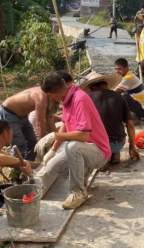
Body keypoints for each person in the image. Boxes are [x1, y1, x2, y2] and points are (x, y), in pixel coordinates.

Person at [34, 73, 110, 210]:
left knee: (72, 146)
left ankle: (78, 192)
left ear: (51, 95)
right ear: (64, 82)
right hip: (84, 148)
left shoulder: (80, 99)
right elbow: (64, 125)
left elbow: (83, 136)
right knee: (51, 167)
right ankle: (82, 173)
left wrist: (54, 136)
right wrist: (53, 150)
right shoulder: (67, 99)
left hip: (99, 152)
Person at [79, 72, 140, 170]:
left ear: (91, 87)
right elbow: (130, 125)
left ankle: (103, 158)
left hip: (99, 145)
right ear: (106, 84)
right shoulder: (120, 97)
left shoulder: (87, 98)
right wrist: (132, 147)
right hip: (119, 143)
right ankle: (114, 154)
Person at [0, 86, 49, 164]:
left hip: (22, 115)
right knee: (18, 146)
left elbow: (49, 118)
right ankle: (16, 174)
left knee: (32, 142)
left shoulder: (46, 92)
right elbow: (39, 124)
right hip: (8, 113)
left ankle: (27, 167)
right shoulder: (41, 97)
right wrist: (46, 145)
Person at [28, 72, 73, 140]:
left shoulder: (51, 99)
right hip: (39, 132)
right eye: (68, 86)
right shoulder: (45, 99)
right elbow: (45, 123)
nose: (69, 90)